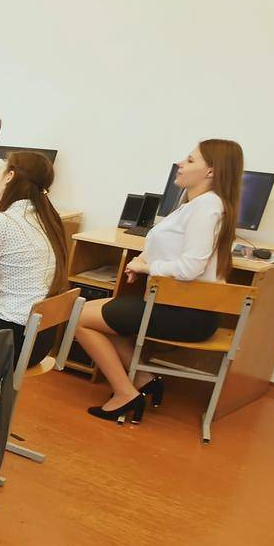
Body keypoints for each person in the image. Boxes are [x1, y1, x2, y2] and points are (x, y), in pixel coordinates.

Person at [74, 139, 242, 422]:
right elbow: (170, 248)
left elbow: (189, 267)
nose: (180, 163)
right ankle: (144, 380)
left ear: (211, 171)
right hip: (175, 304)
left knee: (79, 316)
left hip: (187, 314)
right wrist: (141, 263)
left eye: (189, 160)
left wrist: (147, 267)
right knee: (96, 310)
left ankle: (125, 394)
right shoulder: (196, 205)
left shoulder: (207, 208)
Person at [0, 151, 70, 363]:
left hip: (8, 338)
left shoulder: (2, 223)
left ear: (9, 176)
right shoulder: (47, 219)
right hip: (40, 339)